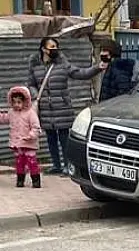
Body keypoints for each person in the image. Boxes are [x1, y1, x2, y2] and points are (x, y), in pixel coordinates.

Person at [28, 37, 106, 175]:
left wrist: (97, 68)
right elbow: (31, 84)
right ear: (43, 49)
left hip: (62, 107)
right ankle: (56, 165)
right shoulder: (35, 66)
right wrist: (36, 96)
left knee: (64, 138)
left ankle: (67, 165)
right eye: (51, 46)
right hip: (45, 109)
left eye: (56, 46)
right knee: (50, 138)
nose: (54, 49)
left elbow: (80, 73)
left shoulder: (62, 64)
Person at [0, 86, 43, 188]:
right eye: (14, 102)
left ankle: (36, 180)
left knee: (32, 162)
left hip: (29, 143)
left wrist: (31, 135)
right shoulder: (11, 113)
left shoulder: (30, 113)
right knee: (19, 163)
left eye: (19, 102)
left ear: (25, 102)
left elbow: (36, 127)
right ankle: (20, 180)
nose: (16, 105)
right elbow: (4, 119)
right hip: (18, 144)